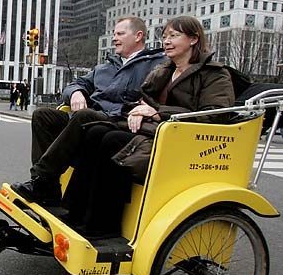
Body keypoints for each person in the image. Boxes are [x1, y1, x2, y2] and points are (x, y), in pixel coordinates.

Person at [68, 16, 235, 238]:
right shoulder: (164, 70)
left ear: (194, 39)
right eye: (164, 36)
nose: (166, 41)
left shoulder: (214, 74)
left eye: (174, 36)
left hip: (185, 144)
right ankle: (75, 210)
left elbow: (215, 114)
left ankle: (104, 225)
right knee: (96, 131)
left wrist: (157, 112)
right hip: (154, 133)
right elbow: (141, 98)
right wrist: (137, 108)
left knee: (113, 142)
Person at [11, 16, 167, 206]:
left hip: (119, 119)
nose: (114, 38)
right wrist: (76, 93)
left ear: (138, 36)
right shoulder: (106, 66)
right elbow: (76, 84)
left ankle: (41, 178)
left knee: (83, 115)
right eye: (114, 34)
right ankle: (49, 188)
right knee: (43, 115)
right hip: (89, 117)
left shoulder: (156, 65)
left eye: (120, 33)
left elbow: (158, 98)